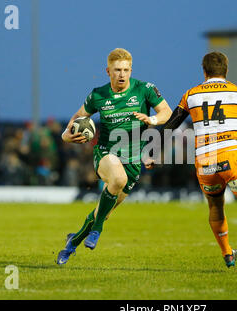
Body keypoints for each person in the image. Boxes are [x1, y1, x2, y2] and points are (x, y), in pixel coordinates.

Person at [148, 52, 237, 274]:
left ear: (204, 71)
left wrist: (154, 153)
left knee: (216, 208)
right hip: (233, 158)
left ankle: (227, 253)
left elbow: (171, 125)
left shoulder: (191, 95)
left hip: (205, 161)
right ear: (226, 70)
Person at [56, 48, 172, 265]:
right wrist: (66, 136)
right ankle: (97, 229)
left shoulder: (144, 89)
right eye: (117, 70)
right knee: (118, 179)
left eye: (126, 70)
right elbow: (77, 119)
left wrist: (152, 120)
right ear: (108, 71)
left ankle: (73, 242)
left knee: (104, 211)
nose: (122, 74)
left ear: (131, 70)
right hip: (106, 154)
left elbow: (166, 111)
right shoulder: (98, 95)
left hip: (133, 161)